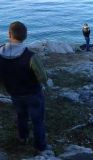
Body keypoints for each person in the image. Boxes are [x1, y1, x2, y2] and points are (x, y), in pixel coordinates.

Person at [0, 21, 48, 152]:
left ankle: (23, 138)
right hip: (33, 93)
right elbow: (42, 77)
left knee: (21, 116)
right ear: (26, 36)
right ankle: (40, 146)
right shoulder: (31, 56)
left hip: (14, 93)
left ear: (9, 34)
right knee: (37, 120)